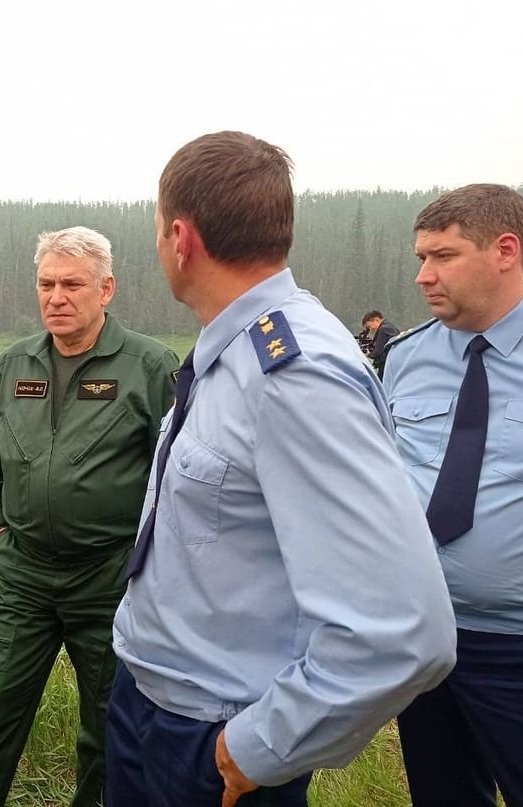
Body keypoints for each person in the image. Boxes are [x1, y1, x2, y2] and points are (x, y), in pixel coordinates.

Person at [107, 132, 458, 807]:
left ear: (180, 238)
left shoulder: (293, 374)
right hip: (149, 698)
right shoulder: (232, 348)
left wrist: (257, 745)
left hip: (214, 732)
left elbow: (407, 628)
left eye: (157, 230)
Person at [0, 226, 179, 807]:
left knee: (107, 721)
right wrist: (0, 527)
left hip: (109, 578)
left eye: (72, 284)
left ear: (106, 290)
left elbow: (175, 476)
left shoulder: (149, 366)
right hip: (25, 575)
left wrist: (143, 559)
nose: (56, 296)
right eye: (46, 283)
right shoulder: (14, 363)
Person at [382, 184, 523, 807]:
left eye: (444, 256)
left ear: (505, 250)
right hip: (428, 639)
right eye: (421, 258)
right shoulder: (405, 358)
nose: (424, 276)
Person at [360, 310, 400, 375]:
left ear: (376, 320)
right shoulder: (390, 327)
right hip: (394, 362)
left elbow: (378, 351)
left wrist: (369, 354)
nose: (370, 329)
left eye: (369, 326)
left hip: (387, 364)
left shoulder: (383, 329)